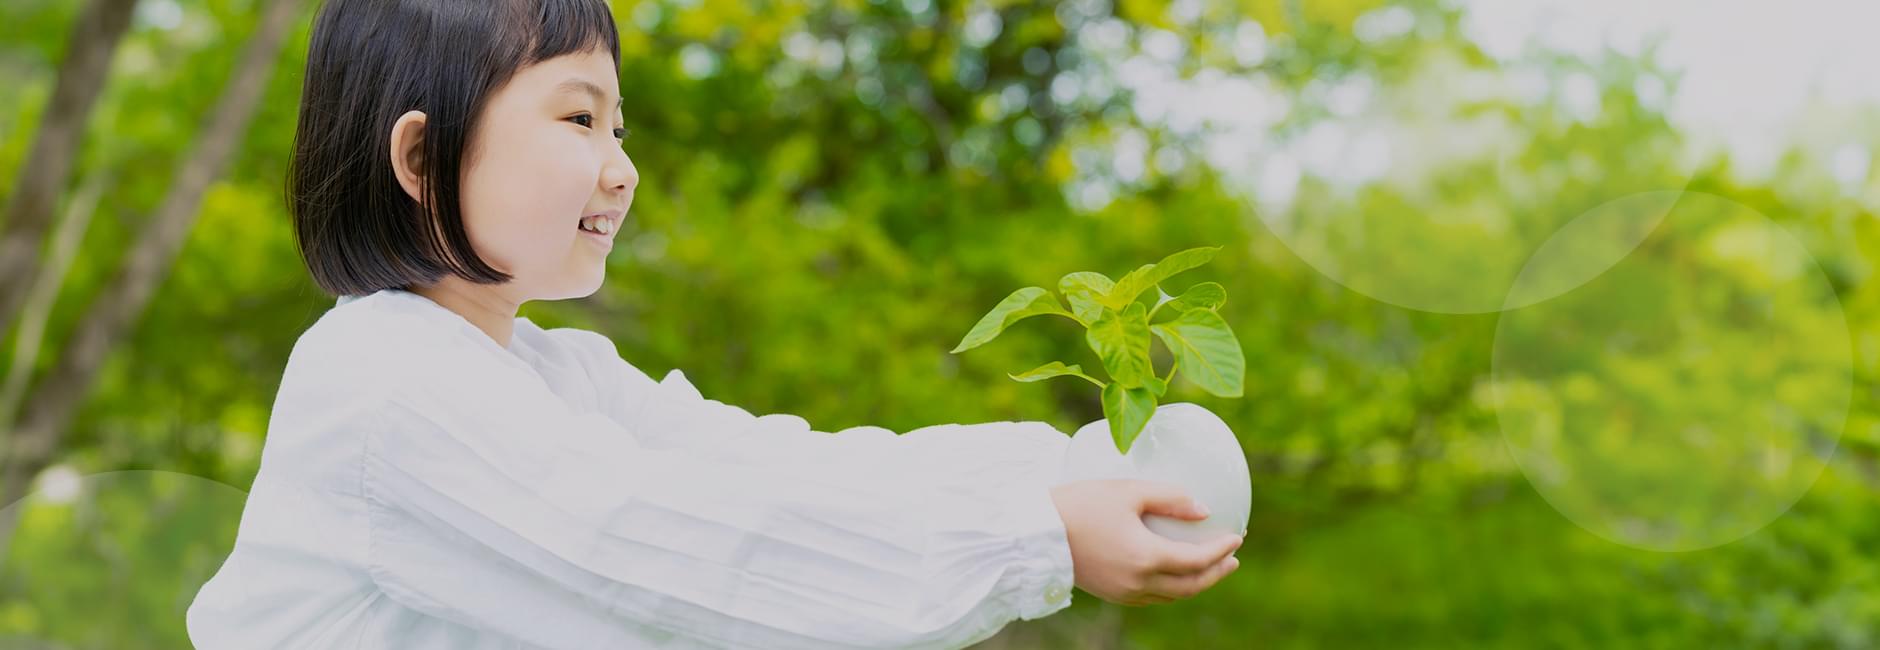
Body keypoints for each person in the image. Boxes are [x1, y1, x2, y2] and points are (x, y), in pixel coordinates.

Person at [186, 1, 1243, 647]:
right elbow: (669, 553)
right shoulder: (382, 384)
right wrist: (1035, 540)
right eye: (577, 116)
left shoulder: (557, 375)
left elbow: (778, 472)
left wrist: (1052, 475)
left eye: (620, 123)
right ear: (419, 158)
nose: (622, 165)